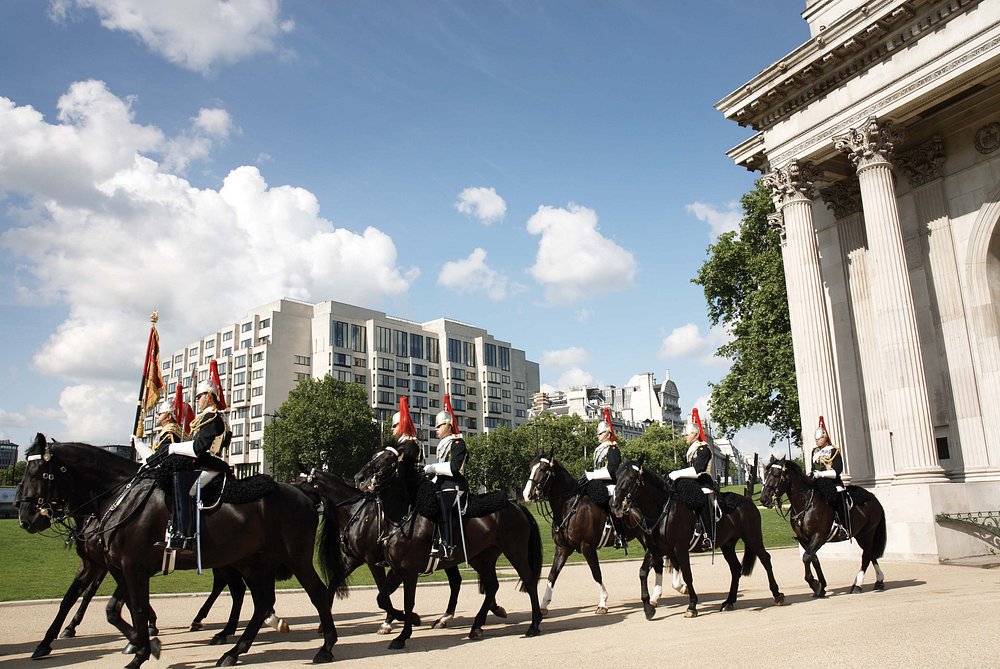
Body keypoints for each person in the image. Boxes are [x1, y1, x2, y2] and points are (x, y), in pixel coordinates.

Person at [159, 376, 231, 551]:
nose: (197, 400)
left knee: (183, 484)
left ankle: (185, 534)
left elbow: (199, 447)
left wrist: (173, 448)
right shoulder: (205, 418)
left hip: (209, 463)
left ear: (209, 396)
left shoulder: (212, 417)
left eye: (199, 396)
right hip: (203, 463)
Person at [423, 394, 467, 559]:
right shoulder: (443, 444)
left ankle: (447, 546)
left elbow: (455, 467)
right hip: (442, 484)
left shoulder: (458, 443)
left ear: (448, 425)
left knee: (442, 506)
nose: (436, 429)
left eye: (439, 426)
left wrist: (432, 467)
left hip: (455, 485)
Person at [669, 408, 716, 548]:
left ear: (695, 435)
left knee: (701, 501)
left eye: (687, 434)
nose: (685, 437)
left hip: (704, 482)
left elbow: (698, 470)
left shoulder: (703, 449)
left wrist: (677, 473)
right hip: (693, 483)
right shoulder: (692, 450)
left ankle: (708, 536)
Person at [584, 407, 626, 548]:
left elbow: (612, 470)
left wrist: (593, 475)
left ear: (608, 433)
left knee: (612, 504)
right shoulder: (599, 449)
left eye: (600, 433)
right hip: (598, 483)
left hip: (611, 484)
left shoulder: (613, 448)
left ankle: (620, 535)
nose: (598, 435)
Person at [811, 415, 848, 534]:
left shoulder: (834, 450)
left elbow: (837, 471)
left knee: (839, 495)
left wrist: (821, 474)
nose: (817, 441)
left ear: (825, 437)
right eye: (816, 439)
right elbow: (813, 468)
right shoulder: (815, 452)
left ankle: (843, 524)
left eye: (819, 438)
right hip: (817, 482)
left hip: (833, 482)